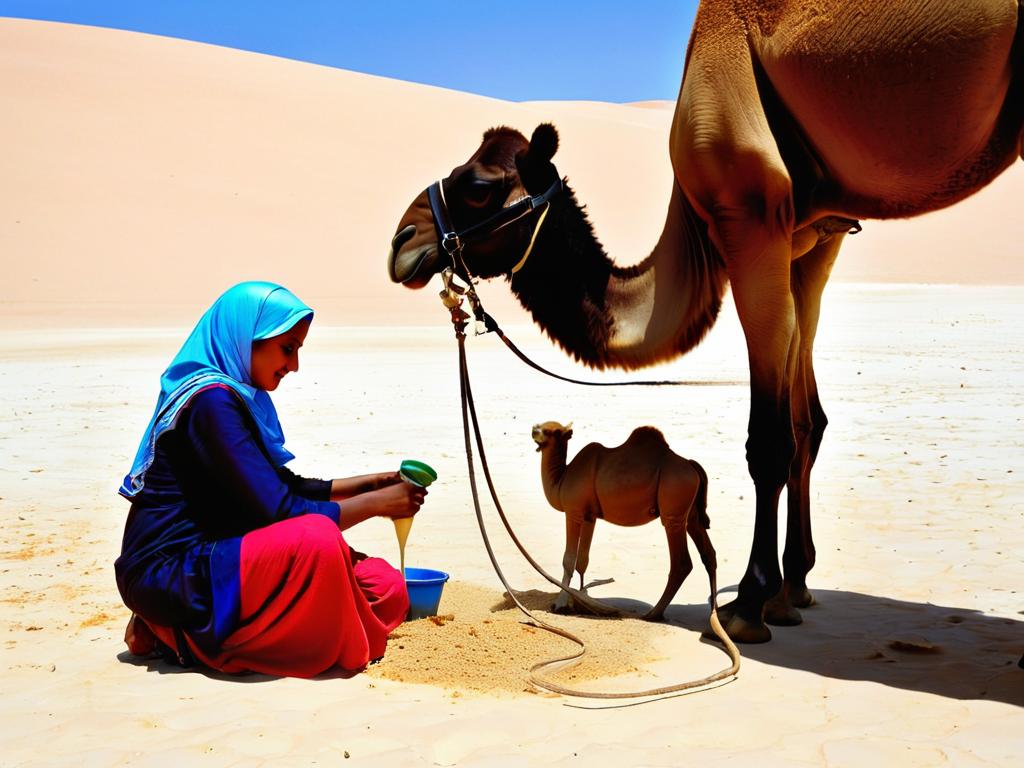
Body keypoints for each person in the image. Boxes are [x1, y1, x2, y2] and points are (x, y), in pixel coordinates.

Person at [115, 281, 425, 678]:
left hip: (226, 554)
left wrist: (374, 483)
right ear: (247, 339)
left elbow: (282, 487)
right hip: (175, 571)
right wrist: (380, 505)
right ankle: (171, 632)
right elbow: (279, 511)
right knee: (318, 540)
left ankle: (203, 632)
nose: (294, 365)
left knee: (386, 586)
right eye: (287, 348)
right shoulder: (210, 402)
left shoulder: (237, 396)